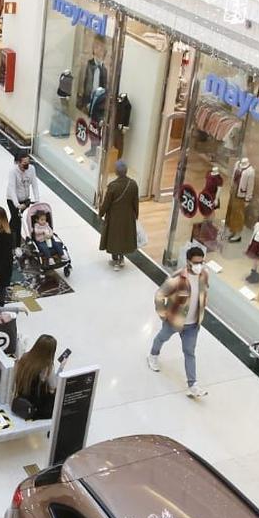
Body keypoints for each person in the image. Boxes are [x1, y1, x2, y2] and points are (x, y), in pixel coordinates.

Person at [148, 244, 210, 400]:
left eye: (201, 262)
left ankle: (192, 385)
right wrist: (163, 315)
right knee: (162, 337)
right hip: (174, 320)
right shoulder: (178, 279)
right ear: (188, 261)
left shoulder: (204, 275)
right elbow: (160, 295)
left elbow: (204, 292)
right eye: (196, 263)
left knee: (190, 352)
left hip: (192, 325)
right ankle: (153, 355)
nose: (199, 266)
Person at [98, 158, 139, 269]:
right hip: (128, 216)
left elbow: (106, 203)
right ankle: (121, 258)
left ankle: (116, 259)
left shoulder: (113, 186)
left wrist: (101, 213)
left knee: (114, 237)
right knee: (124, 236)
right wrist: (136, 214)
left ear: (116, 172)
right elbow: (135, 201)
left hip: (114, 216)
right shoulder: (133, 184)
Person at [10, 335, 61, 420]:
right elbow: (53, 386)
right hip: (38, 406)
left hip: (22, 397)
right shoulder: (47, 367)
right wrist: (61, 368)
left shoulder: (25, 357)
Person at [4, 153, 37, 235]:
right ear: (18, 162)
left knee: (16, 220)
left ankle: (6, 235)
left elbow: (34, 185)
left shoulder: (32, 169)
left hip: (25, 200)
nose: (27, 165)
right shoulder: (13, 172)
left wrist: (37, 200)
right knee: (17, 222)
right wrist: (17, 204)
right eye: (24, 163)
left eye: (28, 162)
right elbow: (12, 189)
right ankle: (16, 244)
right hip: (13, 200)